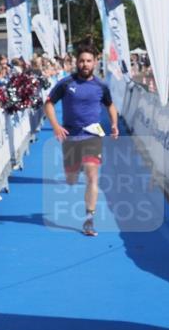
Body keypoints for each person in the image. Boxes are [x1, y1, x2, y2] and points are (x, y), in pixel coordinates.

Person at [44, 45, 119, 237]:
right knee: (71, 179)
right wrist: (55, 126)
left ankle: (89, 220)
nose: (85, 64)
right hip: (71, 137)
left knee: (92, 177)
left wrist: (114, 125)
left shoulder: (101, 86)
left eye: (88, 61)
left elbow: (110, 106)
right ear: (76, 63)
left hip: (92, 136)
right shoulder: (66, 83)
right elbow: (49, 103)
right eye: (81, 61)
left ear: (94, 62)